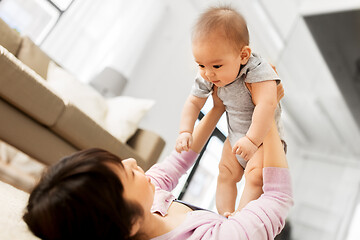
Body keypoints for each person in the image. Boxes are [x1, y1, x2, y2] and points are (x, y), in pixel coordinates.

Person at [23, 84, 292, 240]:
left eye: (118, 162)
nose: (130, 161)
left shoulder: (148, 202)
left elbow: (180, 159)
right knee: (256, 178)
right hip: (236, 230)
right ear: (129, 224)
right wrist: (265, 113)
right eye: (126, 175)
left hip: (228, 225)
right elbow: (278, 197)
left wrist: (217, 108)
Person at [175, 6, 285, 216]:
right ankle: (225, 214)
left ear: (243, 55)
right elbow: (193, 103)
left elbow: (266, 105)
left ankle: (241, 218)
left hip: (263, 139)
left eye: (216, 66)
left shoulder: (258, 70)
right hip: (235, 135)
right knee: (225, 173)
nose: (207, 73)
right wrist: (185, 131)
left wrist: (252, 140)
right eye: (200, 65)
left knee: (255, 177)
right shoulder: (208, 75)